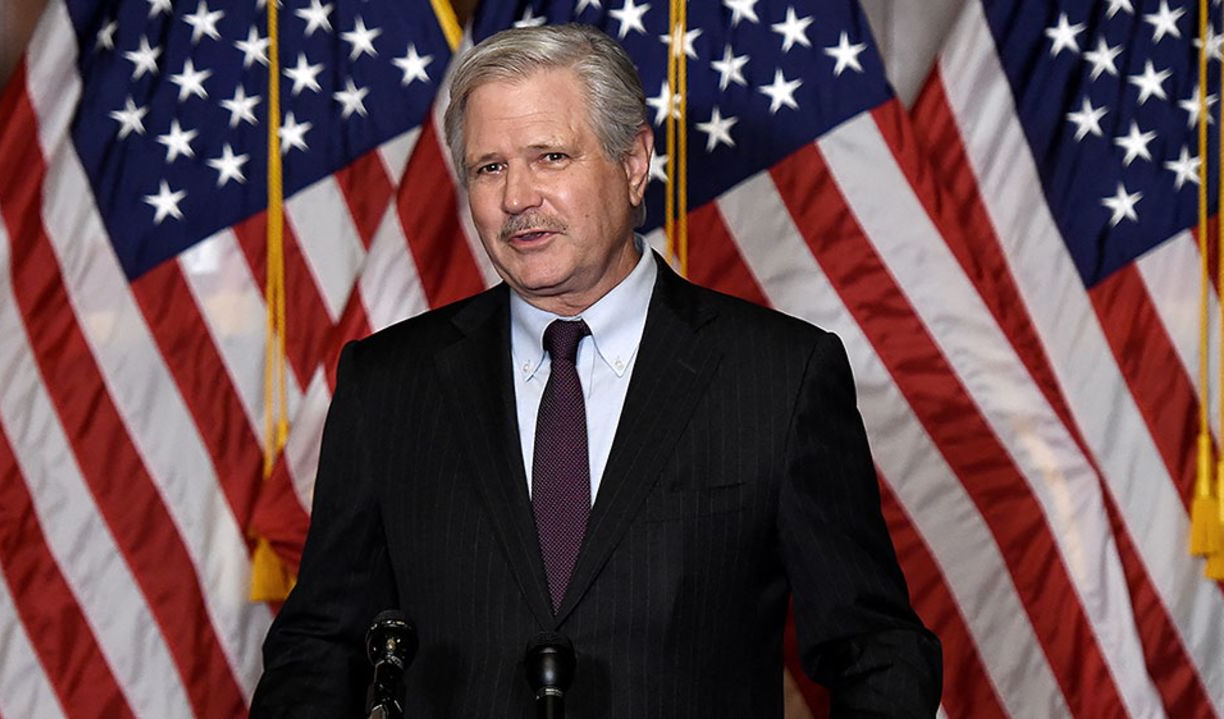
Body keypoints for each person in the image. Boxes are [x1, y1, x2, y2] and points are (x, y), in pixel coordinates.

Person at [251, 23, 941, 718]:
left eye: (550, 156)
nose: (518, 196)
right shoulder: (388, 384)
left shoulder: (777, 376)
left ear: (634, 161)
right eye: (490, 167)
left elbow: (875, 649)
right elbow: (319, 648)